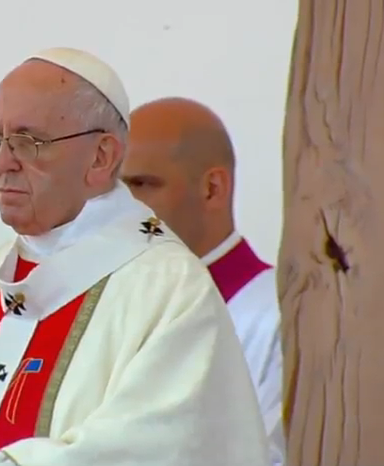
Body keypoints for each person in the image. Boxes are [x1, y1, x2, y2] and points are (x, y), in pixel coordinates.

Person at [0, 48, 270, 466]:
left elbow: (156, 451)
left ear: (101, 157)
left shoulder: (169, 289)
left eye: (28, 141)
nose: (3, 162)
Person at [121, 97, 285, 466]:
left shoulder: (279, 319)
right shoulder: (110, 315)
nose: (122, 208)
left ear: (212, 188)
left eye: (142, 184)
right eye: (113, 190)